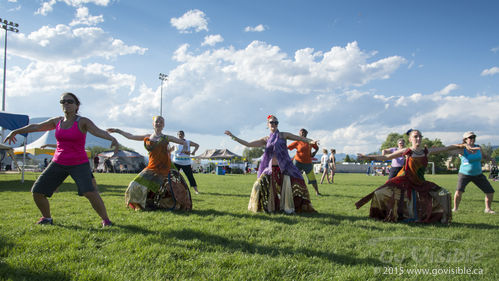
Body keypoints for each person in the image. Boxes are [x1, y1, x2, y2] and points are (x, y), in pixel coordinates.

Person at [4, 92, 118, 227]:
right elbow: (37, 127)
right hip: (58, 162)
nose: (66, 104)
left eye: (70, 101)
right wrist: (16, 131)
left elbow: (97, 131)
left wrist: (112, 139)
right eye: (63, 102)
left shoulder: (82, 122)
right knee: (38, 191)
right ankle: (47, 218)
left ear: (77, 105)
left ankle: (106, 220)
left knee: (90, 192)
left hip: (78, 163)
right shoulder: (57, 121)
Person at [355, 129, 466, 223]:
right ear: (410, 139)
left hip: (421, 182)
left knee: (444, 194)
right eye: (415, 136)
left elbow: (446, 148)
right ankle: (382, 215)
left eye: (420, 137)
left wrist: (461, 145)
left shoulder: (426, 152)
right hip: (406, 180)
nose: (418, 139)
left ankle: (439, 218)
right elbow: (386, 157)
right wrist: (367, 157)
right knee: (380, 192)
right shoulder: (407, 151)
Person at [225, 115, 317, 213]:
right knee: (258, 185)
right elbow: (248, 144)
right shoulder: (266, 139)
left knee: (289, 187)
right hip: (269, 169)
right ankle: (271, 208)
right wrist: (233, 137)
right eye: (271, 122)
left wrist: (311, 141)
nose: (274, 124)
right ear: (268, 124)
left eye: (276, 122)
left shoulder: (283, 135)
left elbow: (299, 138)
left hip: (284, 168)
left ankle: (287, 208)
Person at [107, 116, 192, 211]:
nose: (158, 123)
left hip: (165, 167)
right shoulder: (148, 137)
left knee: (169, 187)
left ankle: (171, 204)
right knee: (134, 184)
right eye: (157, 122)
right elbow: (130, 136)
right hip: (151, 167)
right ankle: (142, 204)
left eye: (161, 122)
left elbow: (183, 142)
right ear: (153, 124)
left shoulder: (167, 138)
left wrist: (185, 149)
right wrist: (118, 131)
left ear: (163, 125)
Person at [452, 132, 495, 214]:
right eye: (470, 137)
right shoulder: (461, 149)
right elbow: (452, 149)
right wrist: (464, 145)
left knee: (490, 191)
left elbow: (484, 156)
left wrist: (491, 159)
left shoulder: (478, 147)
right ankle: (455, 209)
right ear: (465, 140)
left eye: (474, 137)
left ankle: (488, 209)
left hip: (478, 174)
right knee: (459, 191)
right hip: (464, 174)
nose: (472, 139)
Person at [287, 128, 321, 195]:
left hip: (307, 163)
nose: (303, 133)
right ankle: (291, 192)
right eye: (301, 132)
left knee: (312, 178)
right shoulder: (297, 142)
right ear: (299, 134)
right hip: (297, 162)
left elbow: (317, 148)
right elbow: (287, 147)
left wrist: (314, 153)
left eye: (304, 132)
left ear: (306, 134)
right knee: (294, 177)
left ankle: (317, 192)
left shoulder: (310, 141)